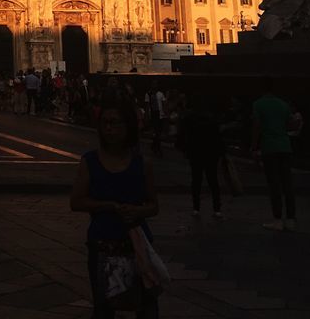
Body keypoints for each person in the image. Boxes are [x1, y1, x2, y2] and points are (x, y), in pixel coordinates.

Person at [70, 94, 162, 318]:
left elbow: (154, 205)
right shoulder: (90, 161)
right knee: (103, 307)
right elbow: (76, 201)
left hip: (138, 244)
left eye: (115, 123)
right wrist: (109, 206)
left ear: (128, 126)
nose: (109, 129)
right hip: (103, 245)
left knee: (147, 305)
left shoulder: (142, 162)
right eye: (104, 123)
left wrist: (138, 211)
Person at [251, 79, 297, 231]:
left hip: (269, 147)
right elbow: (291, 124)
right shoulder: (283, 105)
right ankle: (291, 219)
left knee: (274, 184)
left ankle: (277, 218)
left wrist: (254, 146)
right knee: (287, 184)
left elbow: (257, 126)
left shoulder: (258, 104)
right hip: (285, 146)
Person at [179, 95, 224, 218]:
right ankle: (217, 208)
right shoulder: (212, 119)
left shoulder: (189, 119)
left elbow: (184, 136)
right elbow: (218, 138)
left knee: (196, 180)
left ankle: (196, 207)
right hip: (210, 153)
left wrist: (185, 150)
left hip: (195, 153)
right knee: (213, 180)